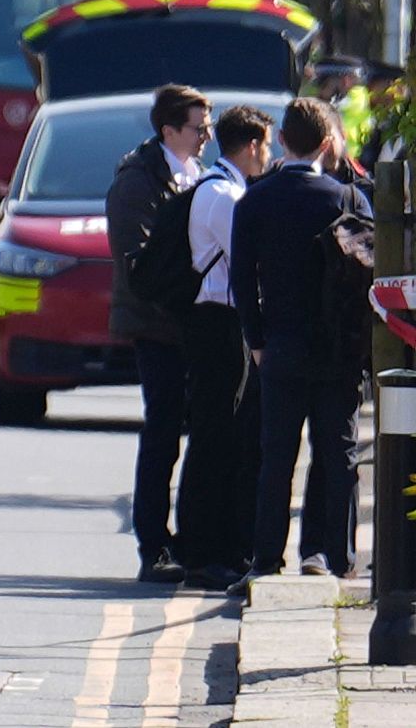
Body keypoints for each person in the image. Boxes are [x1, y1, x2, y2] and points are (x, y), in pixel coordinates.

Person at [227, 98, 369, 596]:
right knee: (338, 454)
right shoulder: (346, 201)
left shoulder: (254, 202)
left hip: (281, 345)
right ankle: (335, 556)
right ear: (327, 144)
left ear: (283, 141)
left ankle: (266, 559)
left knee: (276, 457)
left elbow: (241, 279)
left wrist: (257, 340)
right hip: (338, 348)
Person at [105, 83, 210, 584]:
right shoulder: (138, 180)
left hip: (191, 324)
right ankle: (153, 543)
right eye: (198, 127)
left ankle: (190, 538)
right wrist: (187, 297)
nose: (206, 135)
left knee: (200, 432)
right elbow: (138, 265)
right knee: (163, 431)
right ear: (170, 130)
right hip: (158, 325)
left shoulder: (194, 173)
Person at [176, 105, 273, 591]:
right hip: (215, 322)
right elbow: (249, 261)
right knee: (215, 436)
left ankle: (214, 547)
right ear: (251, 145)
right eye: (266, 146)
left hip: (223, 320)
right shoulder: (224, 194)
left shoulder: (225, 188)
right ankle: (202, 551)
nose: (269, 155)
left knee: (224, 435)